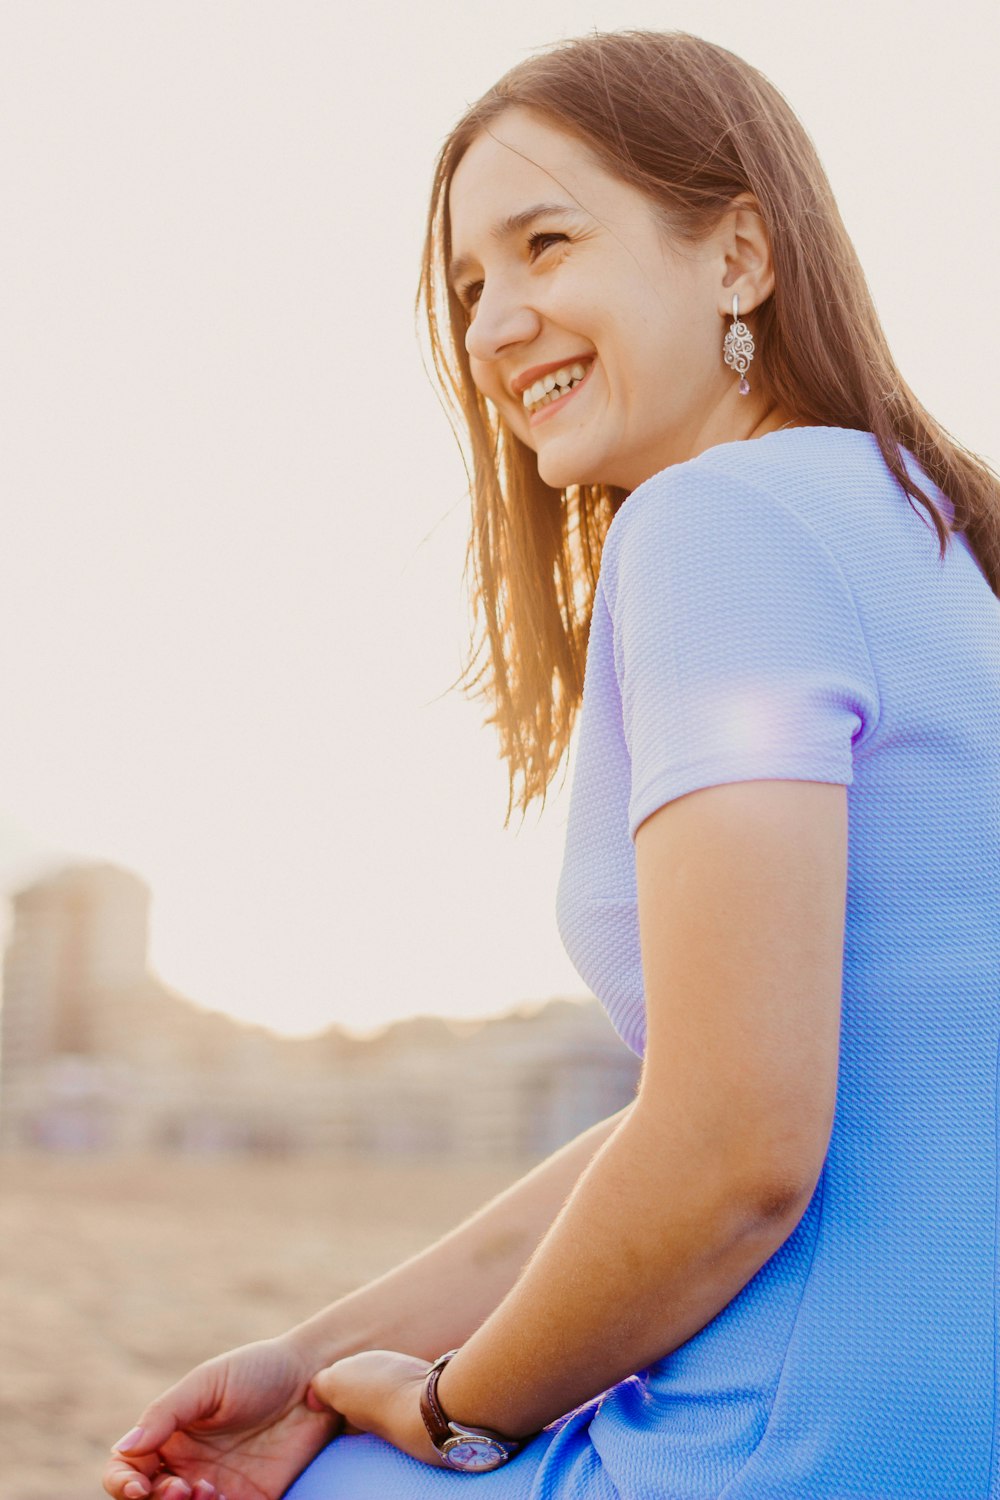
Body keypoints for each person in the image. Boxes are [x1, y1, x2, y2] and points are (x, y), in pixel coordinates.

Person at [102, 27, 1000, 1500]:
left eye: (547, 243)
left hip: (797, 1447)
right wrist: (322, 1353)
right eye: (468, 287)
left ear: (740, 258)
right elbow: (698, 1120)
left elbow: (736, 1158)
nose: (496, 323)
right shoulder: (932, 534)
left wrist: (457, 1411)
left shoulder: (724, 526)